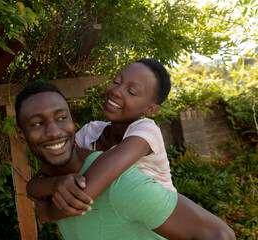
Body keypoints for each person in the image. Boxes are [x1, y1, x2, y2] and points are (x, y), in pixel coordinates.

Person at [15, 81, 236, 240]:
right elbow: (33, 187)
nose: (54, 132)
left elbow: (220, 234)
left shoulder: (122, 184)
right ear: (21, 134)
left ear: (72, 121)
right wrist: (50, 197)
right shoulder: (52, 181)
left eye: (62, 118)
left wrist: (47, 214)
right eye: (37, 123)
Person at [27, 59, 175, 216]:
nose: (116, 91)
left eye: (131, 91)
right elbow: (34, 185)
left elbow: (83, 196)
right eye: (116, 81)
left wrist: (48, 214)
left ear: (150, 109)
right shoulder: (90, 133)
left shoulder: (146, 132)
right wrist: (56, 183)